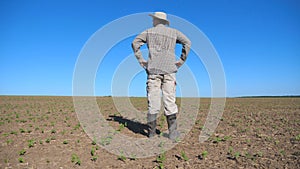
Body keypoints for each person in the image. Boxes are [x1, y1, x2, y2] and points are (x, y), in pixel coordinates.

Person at [131, 12, 191, 140]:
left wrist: (141, 61)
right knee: (170, 101)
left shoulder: (148, 32)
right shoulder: (174, 32)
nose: (152, 22)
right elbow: (187, 42)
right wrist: (181, 61)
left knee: (153, 101)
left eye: (153, 20)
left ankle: (152, 133)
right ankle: (173, 133)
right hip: (170, 70)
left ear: (156, 21)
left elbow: (134, 43)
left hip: (153, 71)